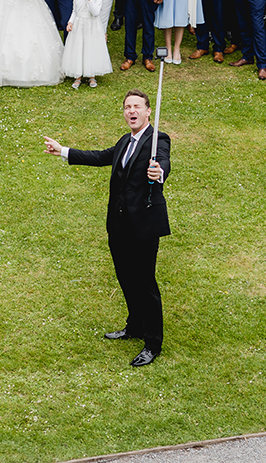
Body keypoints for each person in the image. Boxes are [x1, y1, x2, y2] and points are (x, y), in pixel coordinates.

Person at [43, 89, 171, 367]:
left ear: (148, 111)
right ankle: (135, 325)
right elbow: (101, 157)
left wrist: (158, 172)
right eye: (127, 107)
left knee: (145, 282)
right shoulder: (125, 141)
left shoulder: (157, 139)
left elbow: (163, 162)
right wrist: (62, 150)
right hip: (119, 225)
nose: (131, 111)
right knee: (125, 277)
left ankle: (152, 343)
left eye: (137, 106)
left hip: (144, 226)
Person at [61, 0, 110, 88]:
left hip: (92, 27)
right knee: (79, 48)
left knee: (90, 48)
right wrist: (70, 22)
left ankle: (91, 75)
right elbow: (75, 11)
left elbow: (95, 12)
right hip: (79, 26)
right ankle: (78, 75)